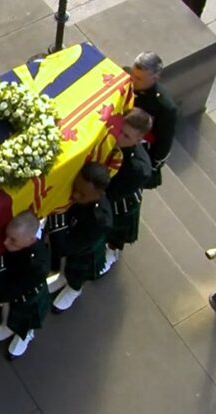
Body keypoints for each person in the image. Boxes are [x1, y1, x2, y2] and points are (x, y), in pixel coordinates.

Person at [0, 211, 51, 358]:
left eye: (13, 240)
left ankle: (25, 335)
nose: (6, 242)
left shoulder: (37, 265)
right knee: (8, 314)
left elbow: (3, 294)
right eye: (7, 236)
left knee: (25, 320)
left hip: (28, 297)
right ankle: (7, 326)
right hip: (12, 287)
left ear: (31, 240)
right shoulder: (19, 245)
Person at [48, 162, 113, 312]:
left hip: (84, 249)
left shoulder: (99, 220)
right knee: (66, 265)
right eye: (76, 189)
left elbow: (64, 247)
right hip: (71, 233)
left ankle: (74, 289)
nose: (75, 195)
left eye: (82, 194)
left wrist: (56, 215)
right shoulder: (76, 196)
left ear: (99, 194)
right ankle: (62, 277)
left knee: (77, 273)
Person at [100, 109, 153, 275]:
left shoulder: (137, 169)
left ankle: (112, 252)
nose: (119, 138)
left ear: (139, 139)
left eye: (127, 136)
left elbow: (112, 193)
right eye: (120, 130)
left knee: (116, 230)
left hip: (120, 202)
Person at [127, 51, 177, 189]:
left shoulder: (164, 107)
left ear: (155, 77)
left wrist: (152, 165)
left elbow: (164, 143)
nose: (133, 80)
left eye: (139, 79)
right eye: (133, 74)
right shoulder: (125, 75)